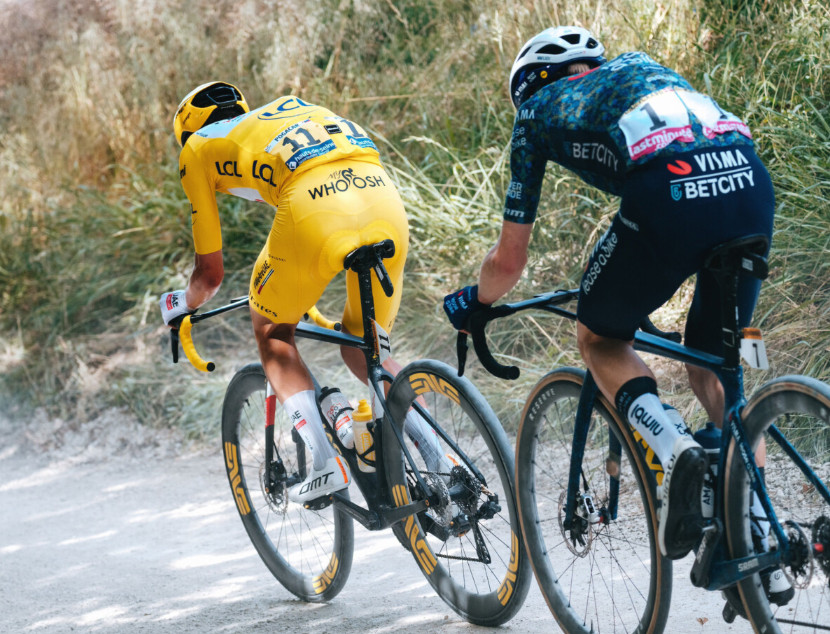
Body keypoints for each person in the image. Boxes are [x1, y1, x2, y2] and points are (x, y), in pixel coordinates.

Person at [443, 26, 778, 568]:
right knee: (717, 371)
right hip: (750, 186)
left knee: (598, 335)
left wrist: (474, 300)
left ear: (531, 83)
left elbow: (508, 262)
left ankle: (676, 450)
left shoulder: (534, 112)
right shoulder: (641, 65)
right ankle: (760, 541)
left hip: (670, 191)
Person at [160, 82, 447, 504]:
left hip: (313, 206)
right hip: (382, 194)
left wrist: (180, 304)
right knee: (365, 346)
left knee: (273, 332)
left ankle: (323, 464)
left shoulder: (196, 148)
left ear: (188, 130)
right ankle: (439, 460)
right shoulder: (283, 113)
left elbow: (209, 275)